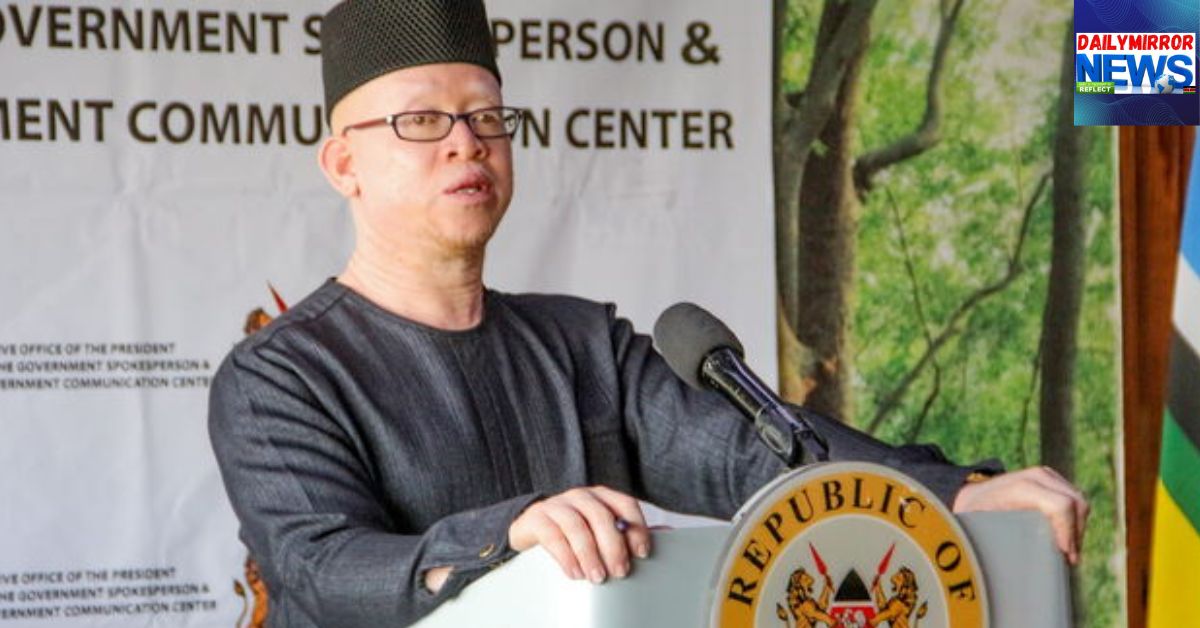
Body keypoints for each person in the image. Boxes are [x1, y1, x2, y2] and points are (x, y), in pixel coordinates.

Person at [207, 1, 1089, 626]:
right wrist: (505, 535)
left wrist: (952, 492)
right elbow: (320, 569)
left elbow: (752, 453)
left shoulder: (578, 343)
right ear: (343, 164)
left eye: (486, 116)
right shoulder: (279, 374)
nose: (466, 142)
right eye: (422, 122)